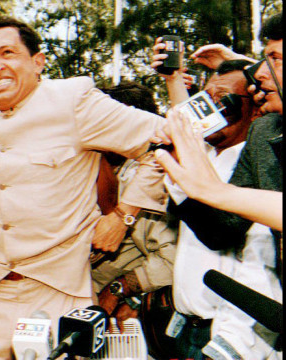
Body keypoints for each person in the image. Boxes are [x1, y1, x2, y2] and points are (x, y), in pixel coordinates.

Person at [0, 17, 166, 359]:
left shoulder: (75, 102)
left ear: (38, 61)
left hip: (58, 296)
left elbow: (166, 142)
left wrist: (125, 215)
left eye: (7, 53)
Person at [154, 56, 282, 359]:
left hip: (238, 336)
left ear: (253, 107)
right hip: (188, 327)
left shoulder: (264, 156)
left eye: (224, 99)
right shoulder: (206, 156)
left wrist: (230, 345)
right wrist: (178, 173)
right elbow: (218, 232)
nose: (212, 108)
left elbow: (259, 263)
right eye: (205, 98)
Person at [155, 12, 283, 280]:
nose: (260, 73)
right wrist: (186, 181)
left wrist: (216, 191)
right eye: (263, 59)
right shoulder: (264, 134)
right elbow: (221, 231)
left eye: (275, 59)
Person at [90, 81, 178, 333]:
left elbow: (171, 260)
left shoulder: (144, 179)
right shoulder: (105, 164)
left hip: (116, 317)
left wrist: (119, 290)